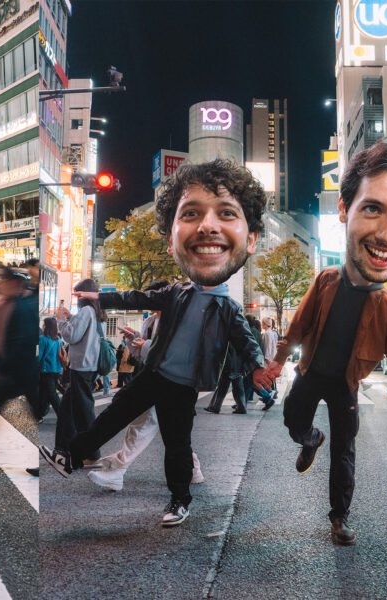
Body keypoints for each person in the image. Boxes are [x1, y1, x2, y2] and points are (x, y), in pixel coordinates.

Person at [40, 159, 272, 527]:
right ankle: (70, 456)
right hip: (156, 374)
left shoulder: (229, 307)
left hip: (183, 386)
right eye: (192, 214)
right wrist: (101, 298)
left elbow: (246, 341)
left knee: (177, 444)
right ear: (172, 241)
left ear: (251, 240)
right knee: (113, 415)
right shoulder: (177, 292)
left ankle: (180, 500)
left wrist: (259, 367)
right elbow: (136, 298)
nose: (208, 228)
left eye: (226, 213)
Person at [267, 139, 387, 546]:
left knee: (345, 453)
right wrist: (277, 360)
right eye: (372, 207)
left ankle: (339, 518)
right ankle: (310, 440)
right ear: (345, 211)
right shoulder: (325, 280)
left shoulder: (383, 303)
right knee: (293, 421)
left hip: (345, 384)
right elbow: (299, 324)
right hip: (310, 374)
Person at [87, 280, 205, 492]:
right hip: (151, 379)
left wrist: (147, 345)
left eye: (154, 296)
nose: (150, 300)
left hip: (172, 382)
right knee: (174, 435)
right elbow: (143, 357)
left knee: (144, 426)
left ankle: (117, 471)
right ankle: (193, 469)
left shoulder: (179, 321)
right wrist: (135, 342)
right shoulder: (149, 322)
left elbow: (174, 354)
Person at [51, 279, 105, 467]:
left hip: (82, 366)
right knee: (68, 409)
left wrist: (60, 319)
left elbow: (71, 336)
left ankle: (92, 454)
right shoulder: (94, 312)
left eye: (78, 294)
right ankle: (62, 450)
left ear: (85, 295)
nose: (76, 298)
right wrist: (70, 317)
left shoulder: (86, 312)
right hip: (87, 366)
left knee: (83, 411)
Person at [0, 266, 40, 418]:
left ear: (13, 283)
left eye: (2, 279)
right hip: (18, 370)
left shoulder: (21, 307)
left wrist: (2, 368)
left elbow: (21, 343)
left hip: (21, 370)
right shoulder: (11, 304)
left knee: (35, 405)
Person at [204, 344, 248, 414]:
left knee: (222, 388)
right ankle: (241, 407)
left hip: (229, 366)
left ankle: (215, 406)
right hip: (237, 366)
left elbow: (227, 354)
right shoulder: (239, 339)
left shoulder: (230, 339)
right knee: (238, 389)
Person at [38, 317, 64, 418]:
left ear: (46, 326)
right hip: (57, 370)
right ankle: (39, 415)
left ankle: (63, 416)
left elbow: (39, 356)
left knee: (52, 395)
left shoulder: (43, 339)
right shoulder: (58, 339)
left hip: (46, 370)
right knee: (44, 394)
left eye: (44, 324)